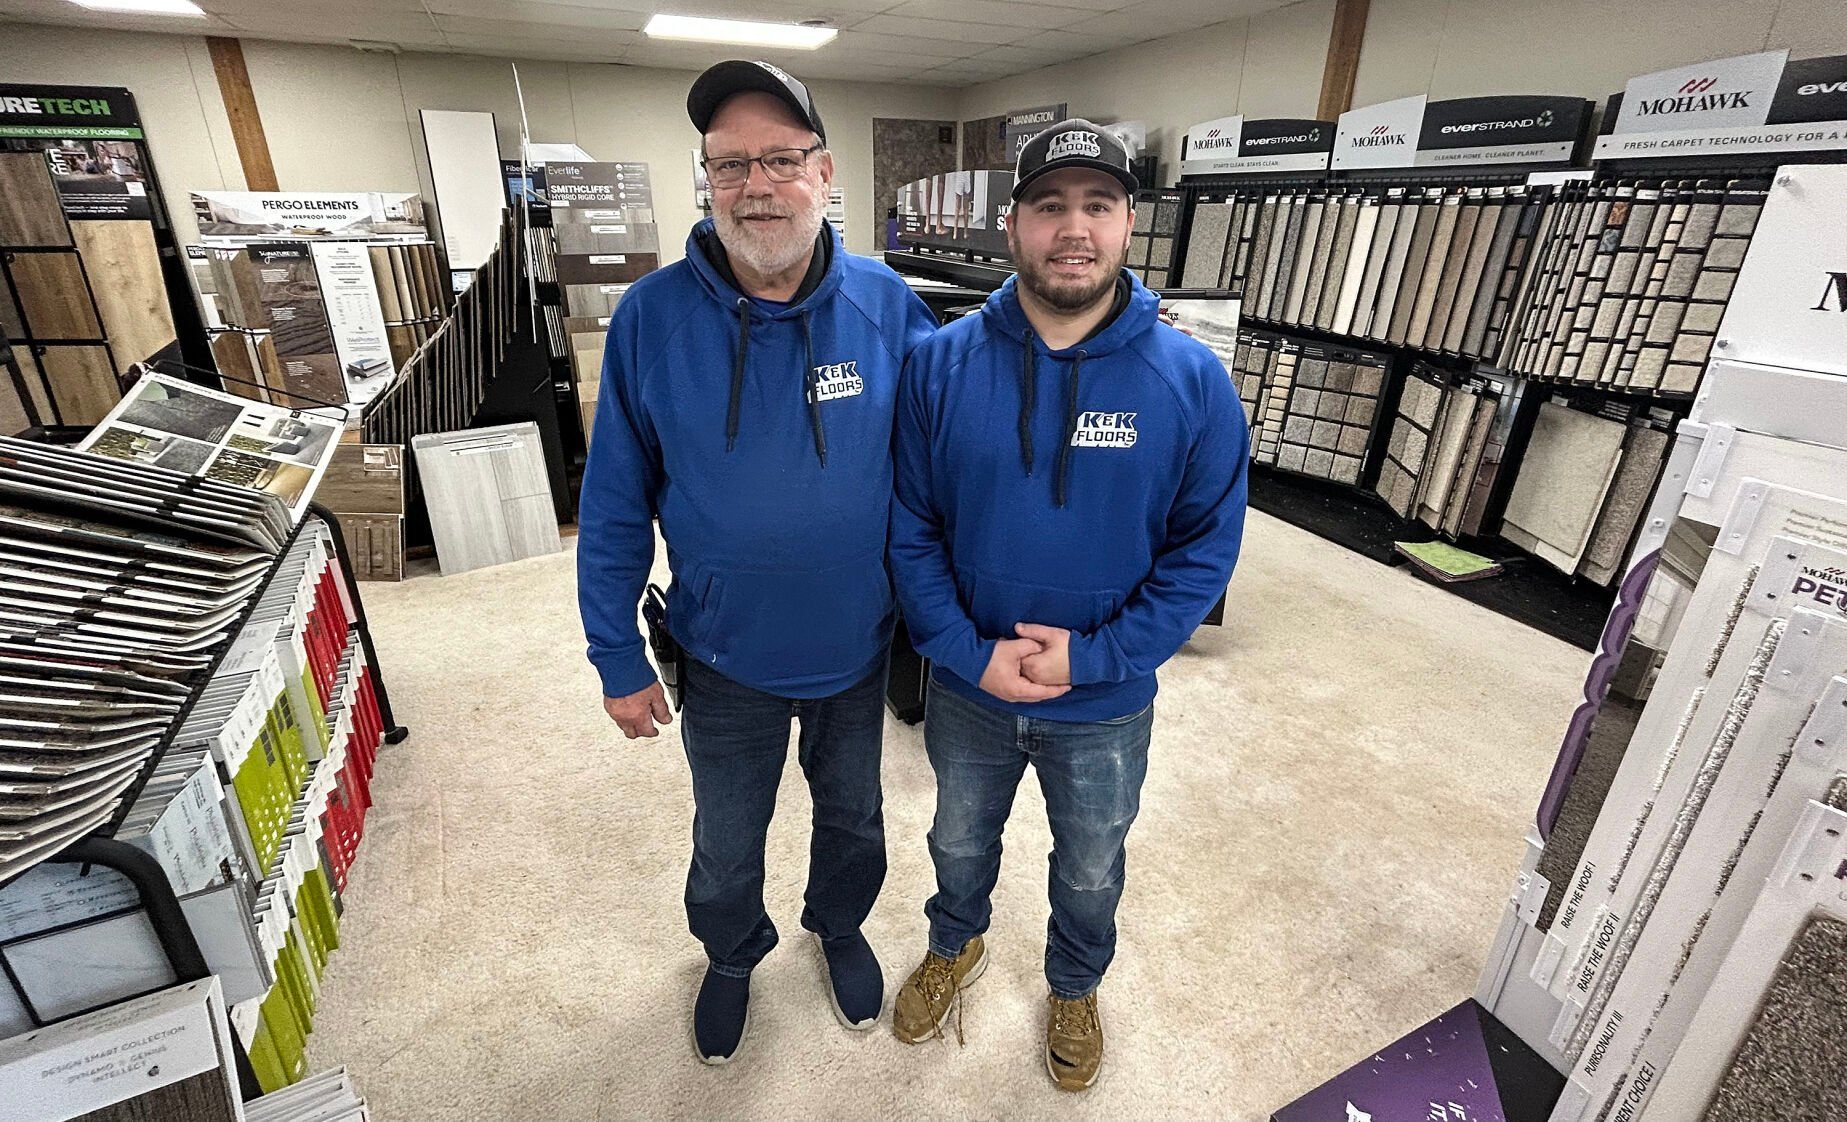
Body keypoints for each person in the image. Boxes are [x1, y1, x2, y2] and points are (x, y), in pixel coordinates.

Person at [576, 60, 938, 1065]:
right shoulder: (650, 316)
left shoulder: (887, 305)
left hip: (857, 651)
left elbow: (942, 475)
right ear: (705, 181)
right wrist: (615, 656)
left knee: (855, 817)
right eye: (728, 164)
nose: (754, 185)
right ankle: (731, 954)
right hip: (722, 653)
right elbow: (611, 507)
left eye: (779, 159)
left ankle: (836, 923)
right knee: (725, 842)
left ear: (823, 174)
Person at [886, 119, 1249, 1090]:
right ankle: (954, 942)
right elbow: (908, 527)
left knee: (1090, 863)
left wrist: (1091, 658)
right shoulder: (938, 364)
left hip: (1105, 699)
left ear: (1130, 222)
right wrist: (965, 651)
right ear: (1012, 224)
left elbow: (1201, 552)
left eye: (1097, 204)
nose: (1072, 228)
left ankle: (1074, 983)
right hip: (967, 687)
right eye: (1049, 205)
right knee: (956, 837)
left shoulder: (1192, 382)